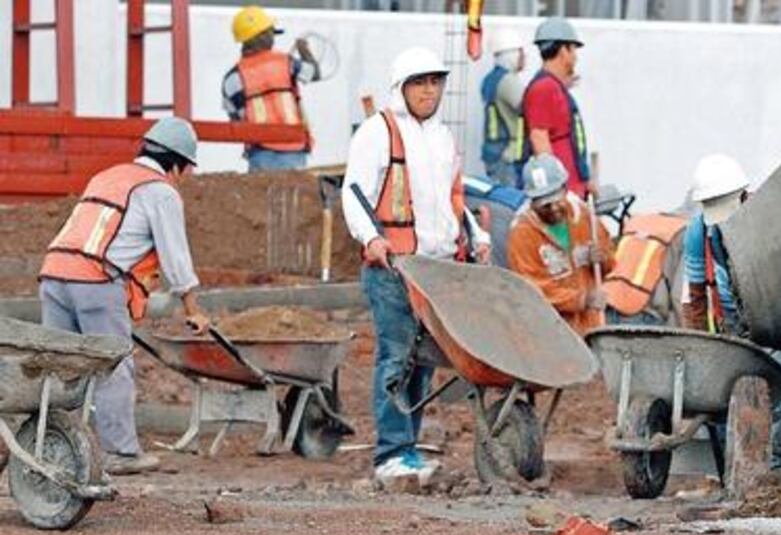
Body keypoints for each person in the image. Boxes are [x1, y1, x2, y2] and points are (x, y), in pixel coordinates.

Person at [343, 47, 490, 486]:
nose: (430, 91)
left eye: (435, 82)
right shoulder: (378, 132)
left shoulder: (442, 137)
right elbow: (355, 193)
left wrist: (476, 238)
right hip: (393, 266)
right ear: (401, 88)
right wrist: (371, 239)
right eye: (420, 83)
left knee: (423, 361)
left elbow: (454, 198)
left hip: (436, 267)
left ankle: (407, 445)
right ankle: (391, 452)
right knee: (395, 356)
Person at [38, 118, 210, 475]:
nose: (185, 176)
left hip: (53, 275)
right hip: (96, 282)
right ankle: (119, 452)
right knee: (112, 365)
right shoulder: (159, 190)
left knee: (61, 366)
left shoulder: (107, 176)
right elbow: (176, 258)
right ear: (176, 163)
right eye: (187, 169)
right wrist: (193, 309)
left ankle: (49, 444)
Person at [507, 154, 612, 335]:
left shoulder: (584, 215)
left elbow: (610, 263)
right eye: (545, 205)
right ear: (532, 202)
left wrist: (602, 259)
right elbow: (534, 289)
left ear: (565, 189)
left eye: (557, 201)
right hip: (550, 333)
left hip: (590, 326)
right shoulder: (522, 234)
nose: (554, 209)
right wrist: (581, 299)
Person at [222, 5, 319, 172]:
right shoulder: (286, 63)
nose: (272, 37)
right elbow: (314, 73)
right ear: (261, 36)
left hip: (260, 151)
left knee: (262, 196)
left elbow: (236, 120)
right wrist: (305, 52)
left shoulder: (233, 77)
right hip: (293, 148)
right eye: (270, 32)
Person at [520, 17, 592, 198]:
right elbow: (540, 141)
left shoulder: (553, 87)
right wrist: (554, 193)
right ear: (563, 50)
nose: (575, 56)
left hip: (572, 190)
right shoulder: (544, 89)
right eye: (573, 49)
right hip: (563, 194)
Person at [681, 154, 750, 335]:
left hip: (769, 314)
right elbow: (695, 298)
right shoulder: (698, 231)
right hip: (729, 318)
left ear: (742, 195)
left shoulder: (764, 217)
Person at [480, 28, 526, 188]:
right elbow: (529, 108)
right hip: (507, 155)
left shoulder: (489, 79)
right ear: (511, 54)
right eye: (520, 52)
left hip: (494, 153)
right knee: (511, 205)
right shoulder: (508, 81)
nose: (523, 57)